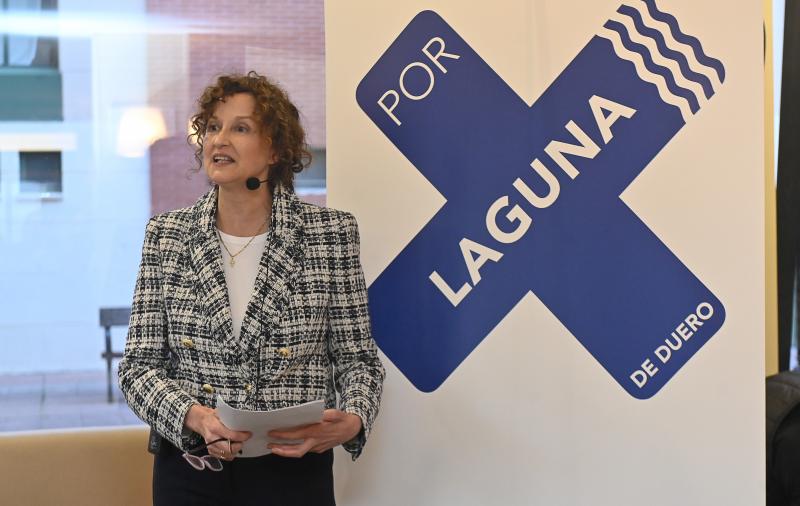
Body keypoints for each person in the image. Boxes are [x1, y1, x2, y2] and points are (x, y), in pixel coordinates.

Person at [118, 71, 385, 506]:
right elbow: (138, 369)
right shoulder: (166, 235)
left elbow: (358, 361)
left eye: (240, 128)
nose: (219, 139)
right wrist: (194, 417)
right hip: (192, 468)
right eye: (212, 127)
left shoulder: (330, 234)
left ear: (276, 149)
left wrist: (353, 417)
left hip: (294, 471)